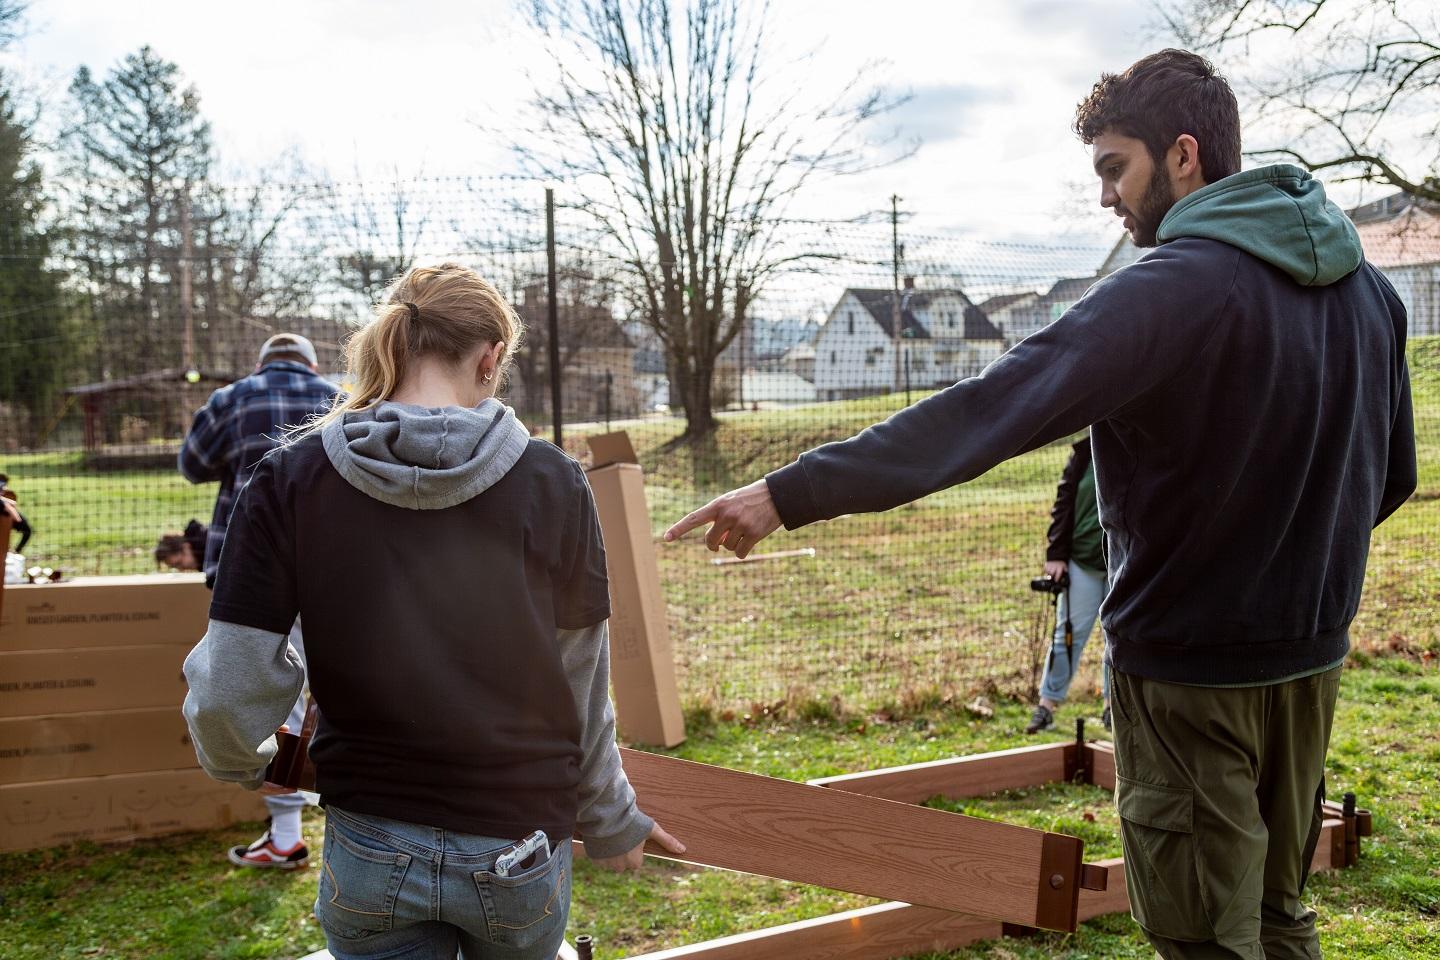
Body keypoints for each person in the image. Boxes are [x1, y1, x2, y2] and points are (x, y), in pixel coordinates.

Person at [665, 50, 1415, 959]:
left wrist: (789, 492)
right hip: (1308, 667)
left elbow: (988, 411)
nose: (1106, 198)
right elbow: (1391, 477)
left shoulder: (1170, 292)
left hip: (1189, 677)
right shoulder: (1368, 293)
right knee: (1276, 917)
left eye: (1115, 168)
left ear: (1183, 157)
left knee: (1203, 937)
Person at [181, 262, 682, 960]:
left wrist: (244, 759)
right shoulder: (556, 483)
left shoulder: (291, 475)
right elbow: (582, 687)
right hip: (520, 846)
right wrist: (608, 818)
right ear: (491, 357)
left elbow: (230, 685)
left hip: (369, 844)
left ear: (393, 344)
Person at [180, 332, 337, 869]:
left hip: (249, 570)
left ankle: (287, 834)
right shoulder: (343, 398)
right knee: (334, 687)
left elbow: (192, 465)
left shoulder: (232, 398)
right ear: (313, 364)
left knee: (268, 695)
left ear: (260, 363)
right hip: (333, 564)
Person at [1027, 437, 1110, 735]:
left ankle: (1114, 710)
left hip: (1123, 563)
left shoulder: (1139, 446)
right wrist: (1056, 554)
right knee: (1067, 637)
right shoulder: (1084, 454)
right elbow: (1063, 504)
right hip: (1081, 562)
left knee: (1120, 641)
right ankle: (1046, 706)